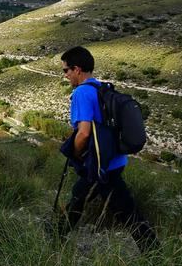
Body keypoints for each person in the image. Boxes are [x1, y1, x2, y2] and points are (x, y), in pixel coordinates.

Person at [59, 46, 158, 252]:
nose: (65, 75)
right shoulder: (102, 88)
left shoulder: (82, 93)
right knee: (79, 195)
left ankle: (154, 251)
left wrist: (75, 154)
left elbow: (84, 132)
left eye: (65, 70)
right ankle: (57, 235)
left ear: (77, 69)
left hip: (99, 165)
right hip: (114, 160)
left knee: (126, 211)